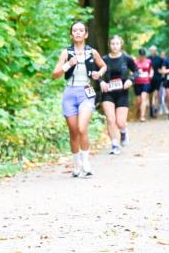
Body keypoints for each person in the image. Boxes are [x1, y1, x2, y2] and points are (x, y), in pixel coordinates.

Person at [52, 21, 106, 177]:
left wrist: (99, 74)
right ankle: (76, 165)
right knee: (74, 132)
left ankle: (86, 162)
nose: (78, 33)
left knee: (82, 128)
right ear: (71, 35)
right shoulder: (66, 53)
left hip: (86, 92)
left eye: (81, 30)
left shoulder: (92, 52)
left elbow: (103, 66)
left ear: (86, 34)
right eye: (75, 30)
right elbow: (55, 74)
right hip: (69, 93)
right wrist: (68, 64)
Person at [99, 35, 137, 154]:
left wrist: (130, 79)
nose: (115, 46)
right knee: (111, 119)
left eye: (117, 44)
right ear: (109, 45)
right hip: (108, 93)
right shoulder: (104, 59)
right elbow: (96, 73)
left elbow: (136, 71)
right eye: (112, 44)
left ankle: (123, 132)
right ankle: (114, 145)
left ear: (120, 45)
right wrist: (101, 82)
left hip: (122, 93)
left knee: (120, 122)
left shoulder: (126, 58)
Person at [133, 48, 153, 121]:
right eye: (141, 55)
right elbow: (132, 71)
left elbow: (151, 70)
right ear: (139, 55)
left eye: (143, 55)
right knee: (139, 101)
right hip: (137, 83)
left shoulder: (149, 61)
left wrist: (150, 75)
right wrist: (135, 74)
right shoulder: (135, 62)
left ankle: (142, 116)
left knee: (144, 98)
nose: (142, 57)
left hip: (146, 82)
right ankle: (139, 110)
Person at [148, 45, 164, 118]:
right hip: (149, 79)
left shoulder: (160, 59)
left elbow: (163, 68)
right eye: (151, 50)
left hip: (157, 78)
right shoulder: (148, 59)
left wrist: (162, 73)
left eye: (154, 50)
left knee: (156, 95)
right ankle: (151, 109)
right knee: (150, 96)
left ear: (156, 51)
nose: (152, 51)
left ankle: (155, 110)